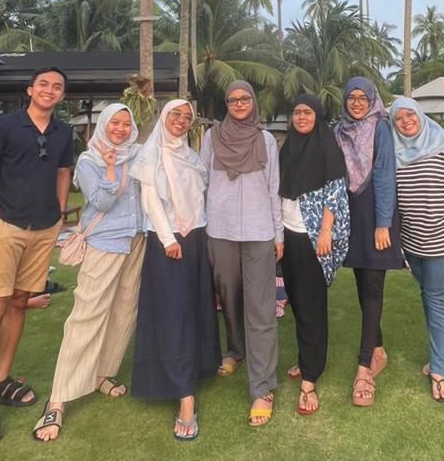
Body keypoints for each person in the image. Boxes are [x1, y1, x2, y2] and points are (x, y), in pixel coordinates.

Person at [0, 66, 73, 445]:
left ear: (62, 95)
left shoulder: (63, 132)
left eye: (57, 87)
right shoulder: (5, 126)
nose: (49, 90)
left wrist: (60, 213)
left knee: (18, 301)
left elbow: (63, 171)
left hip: (43, 227)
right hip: (7, 225)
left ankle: (1, 376)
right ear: (30, 89)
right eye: (43, 84)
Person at [33, 103, 146, 441]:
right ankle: (58, 399)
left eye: (126, 124)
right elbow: (103, 203)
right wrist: (111, 169)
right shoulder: (89, 161)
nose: (121, 129)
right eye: (115, 123)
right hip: (105, 243)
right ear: (103, 126)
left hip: (137, 240)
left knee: (124, 311)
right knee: (87, 314)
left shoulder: (138, 155)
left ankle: (102, 374)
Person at [130, 99, 220, 441]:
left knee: (194, 309)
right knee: (173, 315)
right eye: (175, 115)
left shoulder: (191, 156)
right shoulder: (152, 153)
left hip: (196, 238)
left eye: (187, 116)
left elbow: (200, 199)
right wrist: (169, 238)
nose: (181, 120)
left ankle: (194, 369)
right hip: (168, 240)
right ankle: (185, 396)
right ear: (163, 117)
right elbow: (150, 200)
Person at [200, 81, 283, 427]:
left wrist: (278, 233)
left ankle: (262, 387)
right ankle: (236, 350)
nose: (238, 103)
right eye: (232, 99)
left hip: (259, 231)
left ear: (253, 101)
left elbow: (274, 188)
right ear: (226, 103)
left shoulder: (265, 140)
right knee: (229, 296)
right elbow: (202, 181)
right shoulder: (211, 138)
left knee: (261, 307)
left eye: (244, 98)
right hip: (220, 230)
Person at [389, 98, 444, 402]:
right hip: (413, 241)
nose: (406, 121)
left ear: (420, 115)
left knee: (438, 298)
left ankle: (439, 371)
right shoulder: (394, 151)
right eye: (398, 118)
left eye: (410, 114)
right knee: (427, 294)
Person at [278, 93, 350, 415]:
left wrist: (325, 231)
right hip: (289, 234)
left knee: (311, 306)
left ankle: (310, 377)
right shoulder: (288, 147)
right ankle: (306, 358)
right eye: (297, 112)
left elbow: (335, 192)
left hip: (313, 237)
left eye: (307, 112)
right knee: (296, 301)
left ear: (317, 115)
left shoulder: (327, 147)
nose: (301, 117)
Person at [335, 76, 404, 407]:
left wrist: (383, 223)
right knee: (362, 285)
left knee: (374, 287)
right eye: (352, 97)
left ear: (372, 99)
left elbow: (385, 174)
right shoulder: (339, 131)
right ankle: (377, 348)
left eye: (363, 97)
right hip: (351, 215)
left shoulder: (380, 128)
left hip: (377, 213)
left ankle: (364, 368)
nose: (357, 103)